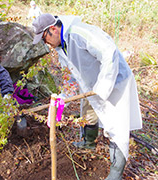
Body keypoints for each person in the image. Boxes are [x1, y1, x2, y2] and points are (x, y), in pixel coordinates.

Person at [32, 14, 142, 179]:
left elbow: (108, 51)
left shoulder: (79, 33)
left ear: (53, 29)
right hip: (91, 85)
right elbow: (70, 78)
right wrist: (62, 99)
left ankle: (116, 172)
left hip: (116, 81)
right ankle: (88, 142)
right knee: (87, 111)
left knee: (115, 127)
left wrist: (103, 86)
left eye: (44, 39)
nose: (45, 43)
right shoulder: (61, 48)